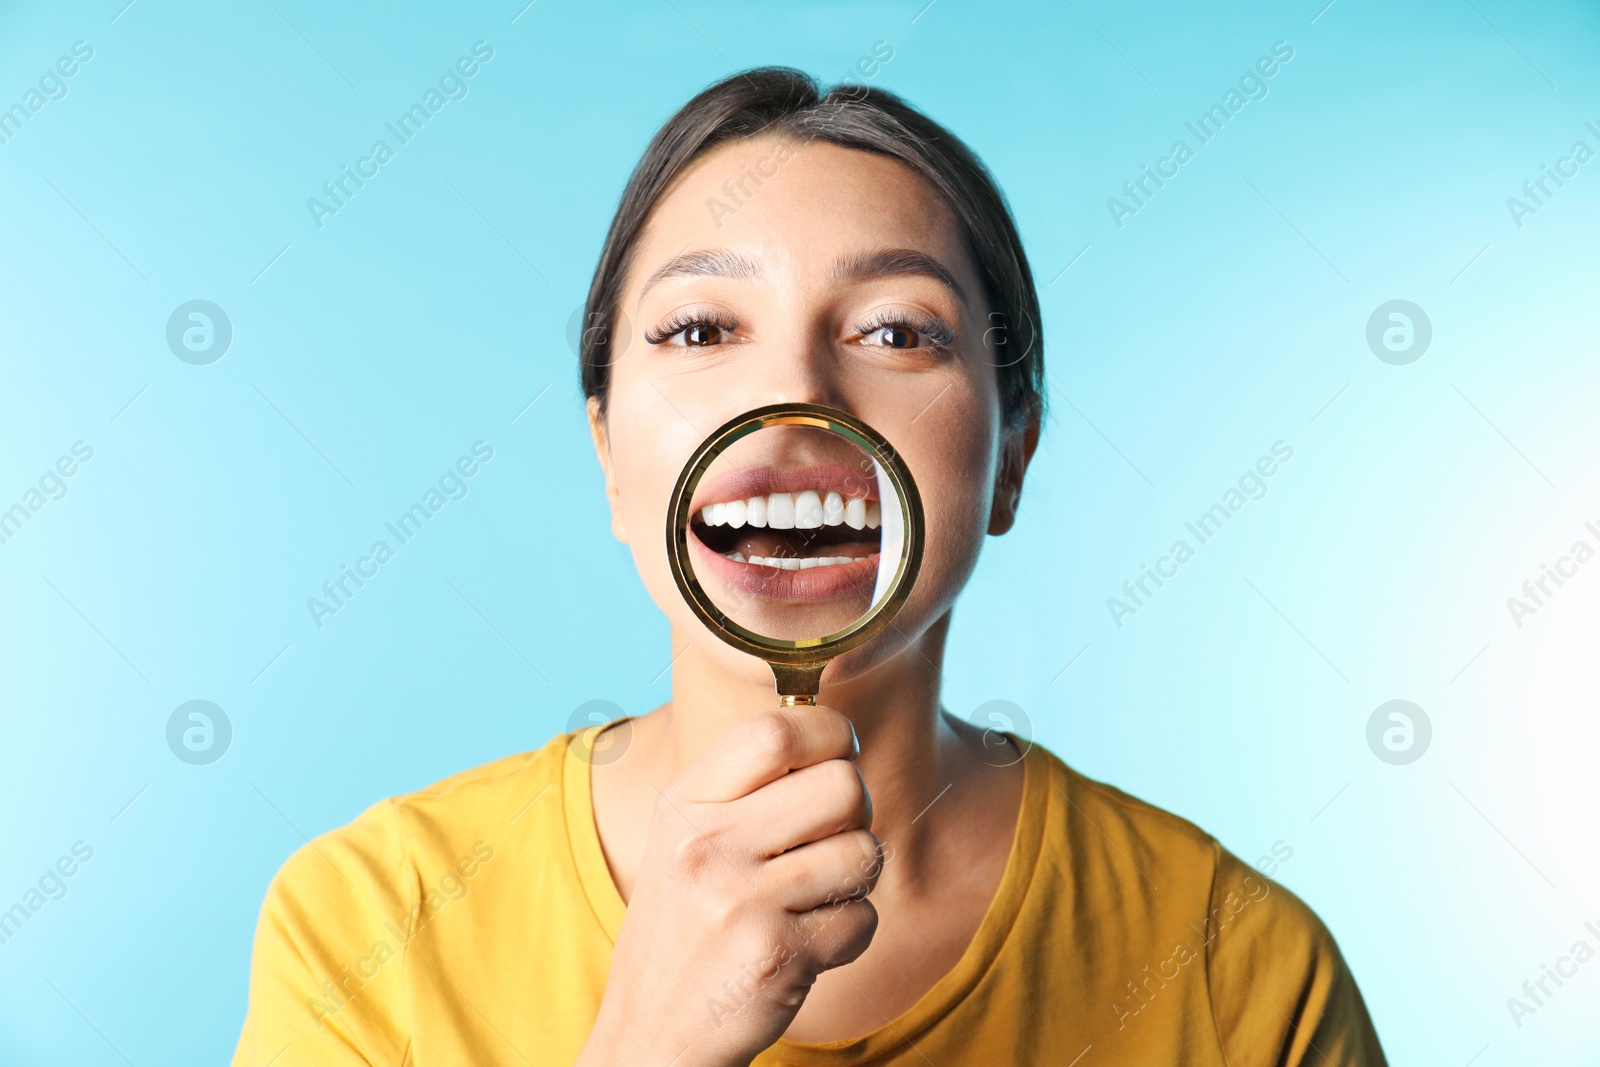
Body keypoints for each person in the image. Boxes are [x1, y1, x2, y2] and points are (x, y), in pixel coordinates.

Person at [232, 67, 1387, 1066]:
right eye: (699, 329)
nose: (793, 398)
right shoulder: (367, 921)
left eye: (896, 331)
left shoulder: (1241, 968)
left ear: (1011, 457)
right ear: (609, 458)